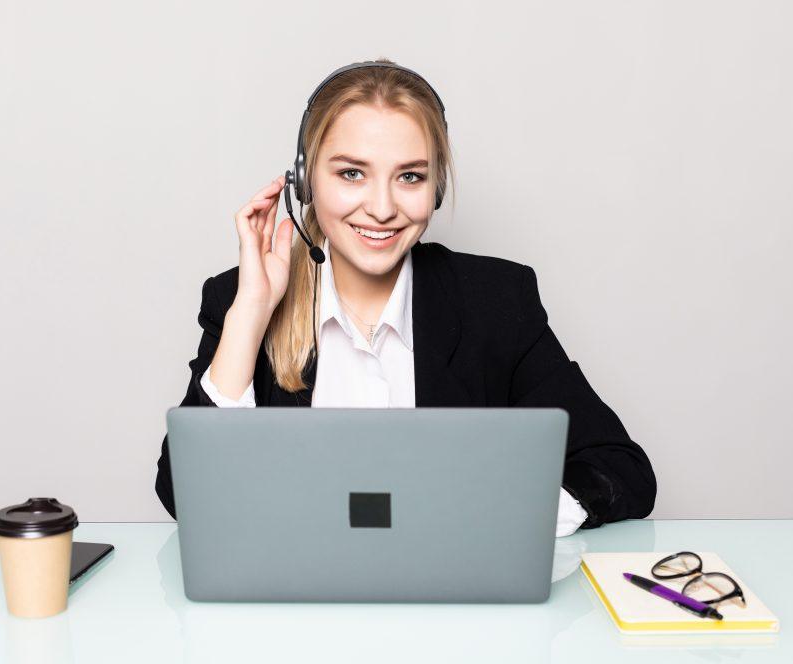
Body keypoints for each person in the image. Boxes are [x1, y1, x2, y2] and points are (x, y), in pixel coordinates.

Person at [155, 59, 655, 536]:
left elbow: (619, 469)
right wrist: (251, 312)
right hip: (297, 593)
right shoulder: (238, 299)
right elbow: (187, 496)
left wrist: (493, 521)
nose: (382, 208)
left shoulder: (496, 301)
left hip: (449, 590)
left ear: (436, 187)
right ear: (305, 182)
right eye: (352, 173)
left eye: (410, 176)